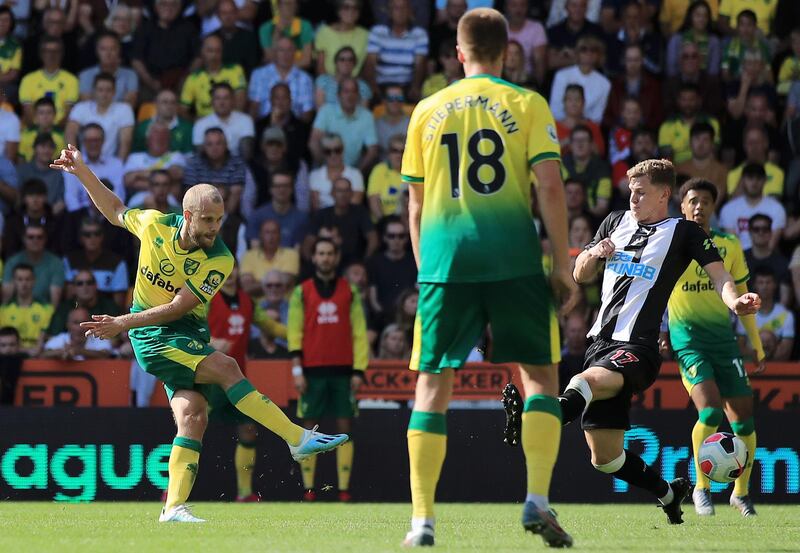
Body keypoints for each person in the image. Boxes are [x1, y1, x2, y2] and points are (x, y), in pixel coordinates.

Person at [50, 143, 348, 523]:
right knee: (226, 368)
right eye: (207, 220)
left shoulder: (220, 258)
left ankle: (173, 508)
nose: (214, 228)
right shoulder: (155, 224)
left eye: (219, 220)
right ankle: (296, 438)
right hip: (152, 333)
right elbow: (115, 210)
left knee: (193, 416)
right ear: (188, 215)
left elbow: (180, 307)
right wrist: (81, 171)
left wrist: (119, 324)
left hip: (183, 328)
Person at [400, 8, 578, 548]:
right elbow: (549, 186)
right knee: (541, 378)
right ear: (508, 51)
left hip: (445, 262)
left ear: (458, 52)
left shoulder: (426, 110)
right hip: (514, 260)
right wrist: (562, 263)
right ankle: (537, 500)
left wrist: (427, 268)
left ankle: (422, 522)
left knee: (432, 385)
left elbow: (413, 203)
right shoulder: (526, 104)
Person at [556, 159, 759, 527]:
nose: (632, 198)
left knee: (582, 383)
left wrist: (735, 302)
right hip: (600, 343)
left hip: (639, 348)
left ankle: (544, 418)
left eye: (641, 192)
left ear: (664, 194)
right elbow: (579, 274)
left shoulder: (684, 232)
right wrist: (593, 254)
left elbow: (720, 276)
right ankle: (669, 493)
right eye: (631, 191)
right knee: (605, 459)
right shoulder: (615, 222)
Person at [663, 177, 764, 518]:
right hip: (688, 341)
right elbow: (655, 290)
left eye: (705, 201)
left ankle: (740, 493)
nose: (699, 206)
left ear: (713, 207)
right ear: (682, 206)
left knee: (744, 422)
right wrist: (660, 328)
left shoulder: (729, 245)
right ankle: (701, 489)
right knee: (710, 413)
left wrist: (757, 345)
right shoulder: (670, 243)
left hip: (724, 343)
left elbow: (744, 299)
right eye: (692, 200)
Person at [288, 237, 368, 503]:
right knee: (308, 429)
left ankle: (343, 489)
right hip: (311, 372)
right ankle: (309, 489)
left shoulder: (350, 291)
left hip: (344, 371)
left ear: (336, 257)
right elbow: (294, 332)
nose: (324, 258)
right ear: (314, 258)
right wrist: (297, 370)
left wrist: (359, 370)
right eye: (320, 253)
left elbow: (359, 332)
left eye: (329, 253)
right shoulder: (302, 291)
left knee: (345, 426)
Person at [208, 264, 288, 502]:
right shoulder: (207, 300)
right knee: (191, 428)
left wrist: (303, 334)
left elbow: (270, 327)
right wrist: (211, 341)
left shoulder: (248, 302)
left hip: (236, 379)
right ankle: (171, 489)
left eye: (233, 270)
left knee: (248, 428)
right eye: (226, 270)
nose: (230, 275)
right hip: (209, 377)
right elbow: (191, 329)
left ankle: (244, 493)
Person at [65, 72, 135, 161]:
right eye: (100, 90)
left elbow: (126, 142)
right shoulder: (81, 108)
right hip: (83, 162)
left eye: (108, 90)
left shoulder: (124, 109)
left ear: (114, 92)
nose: (104, 94)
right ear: (94, 91)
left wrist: (118, 166)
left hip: (110, 162)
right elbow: (70, 133)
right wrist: (75, 160)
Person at [719, 163, 785, 251]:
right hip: (738, 261)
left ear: (765, 180)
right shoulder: (728, 209)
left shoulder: (777, 209)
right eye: (750, 177)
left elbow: (771, 246)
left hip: (766, 259)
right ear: (742, 180)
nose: (754, 182)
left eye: (758, 178)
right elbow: (733, 245)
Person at [180, 34, 247, 121]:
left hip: (231, 121)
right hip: (205, 125)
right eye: (210, 51)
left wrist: (227, 120)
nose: (214, 55)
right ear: (202, 52)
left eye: (217, 51)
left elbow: (240, 101)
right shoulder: (193, 78)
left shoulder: (235, 70)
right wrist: (198, 122)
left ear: (222, 52)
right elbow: (182, 109)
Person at [737, 267, 795, 362]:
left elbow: (785, 350)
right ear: (755, 285)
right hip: (751, 368)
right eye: (761, 282)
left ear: (775, 285)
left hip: (777, 368)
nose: (764, 286)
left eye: (768, 282)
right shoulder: (745, 314)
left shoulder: (786, 315)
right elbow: (740, 348)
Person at [3, 224, 64, 306]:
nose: (35, 240)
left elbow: (55, 298)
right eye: (30, 237)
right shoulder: (12, 262)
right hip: (16, 311)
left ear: (45, 239)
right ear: (24, 239)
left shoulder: (56, 263)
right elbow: (6, 297)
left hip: (45, 311)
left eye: (39, 237)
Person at [0, 263, 54, 357]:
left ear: (34, 281)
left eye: (27, 279)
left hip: (38, 359)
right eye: (20, 279)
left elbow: (51, 339)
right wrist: (26, 350)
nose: (24, 283)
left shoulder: (47, 309)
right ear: (14, 281)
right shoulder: (3, 310)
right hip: (10, 358)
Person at [41, 306, 114, 360]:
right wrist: (61, 352)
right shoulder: (60, 338)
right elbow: (43, 354)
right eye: (76, 323)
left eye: (84, 323)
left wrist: (78, 351)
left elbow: (105, 355)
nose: (80, 328)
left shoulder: (99, 338)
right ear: (67, 325)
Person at [0, 326, 25, 404]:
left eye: (12, 345)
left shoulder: (23, 357)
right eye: (3, 345)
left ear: (18, 345)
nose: (8, 349)